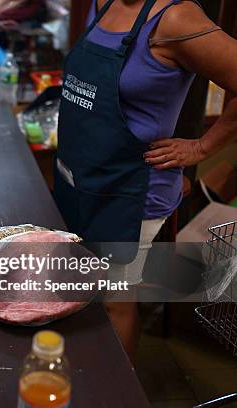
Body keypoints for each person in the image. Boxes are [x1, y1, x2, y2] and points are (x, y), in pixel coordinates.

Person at [54, 0, 237, 360]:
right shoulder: (102, 4)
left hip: (130, 194)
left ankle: (115, 394)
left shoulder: (176, 18)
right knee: (81, 287)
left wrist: (201, 148)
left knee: (114, 302)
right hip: (82, 181)